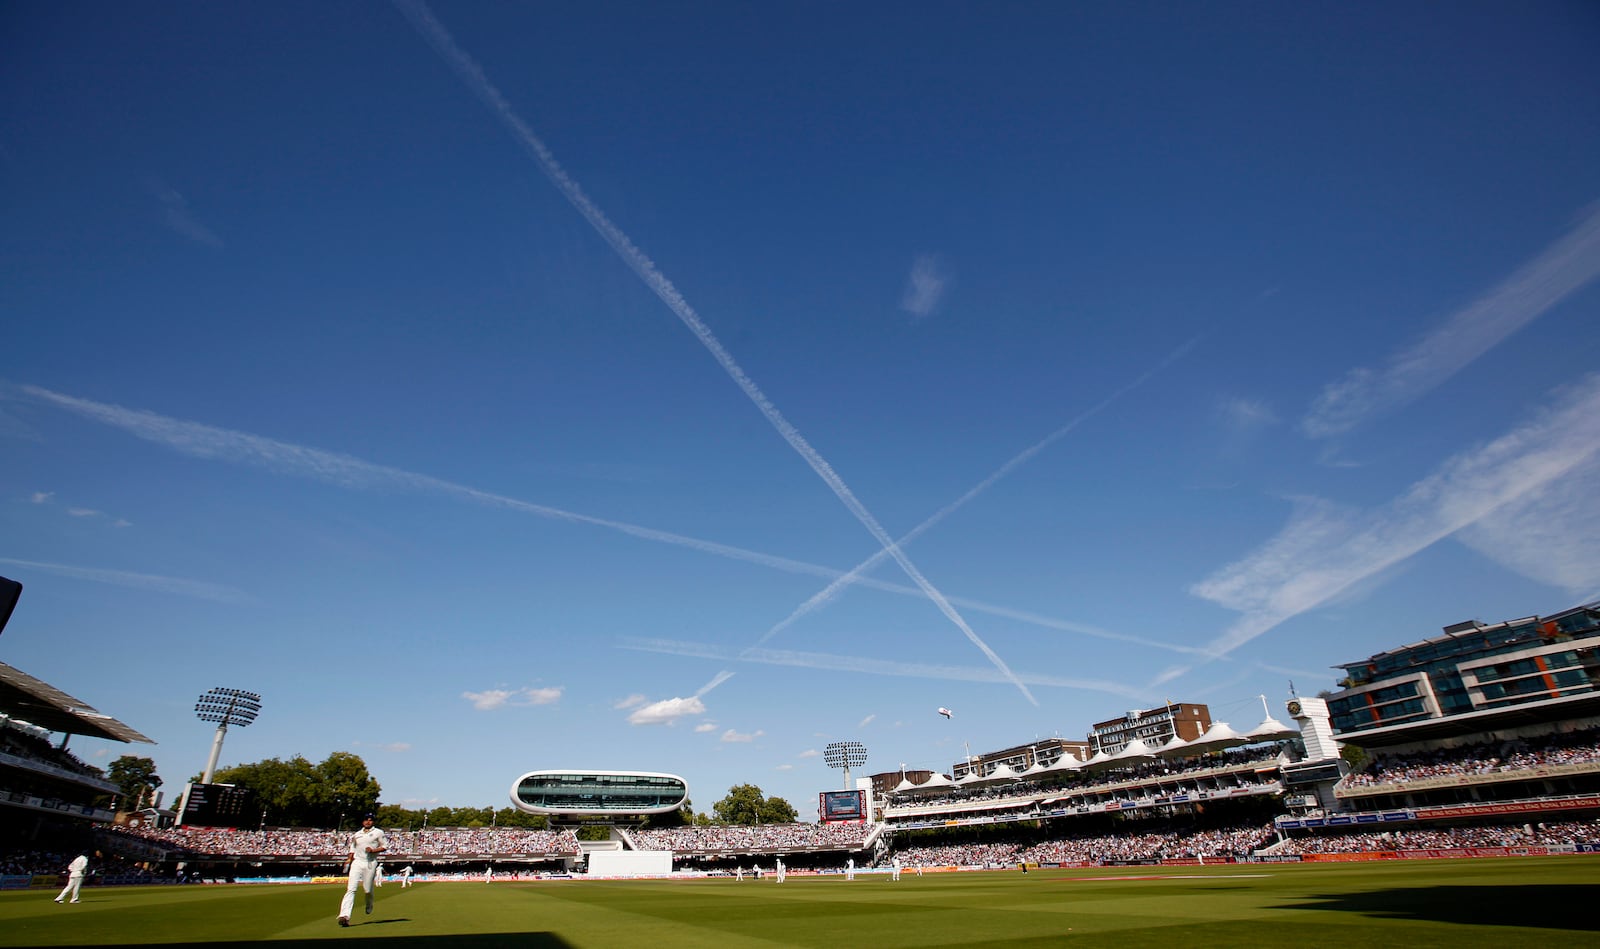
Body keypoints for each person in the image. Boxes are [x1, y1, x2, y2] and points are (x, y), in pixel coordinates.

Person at [337, 814, 388, 927]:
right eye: (366, 820)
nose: (368, 822)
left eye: (370, 820)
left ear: (373, 822)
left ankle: (369, 905)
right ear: (362, 821)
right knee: (351, 889)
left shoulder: (378, 832)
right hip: (357, 862)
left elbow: (385, 846)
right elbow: (353, 848)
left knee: (368, 890)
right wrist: (349, 859)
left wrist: (373, 850)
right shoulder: (357, 834)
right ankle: (344, 916)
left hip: (370, 863)